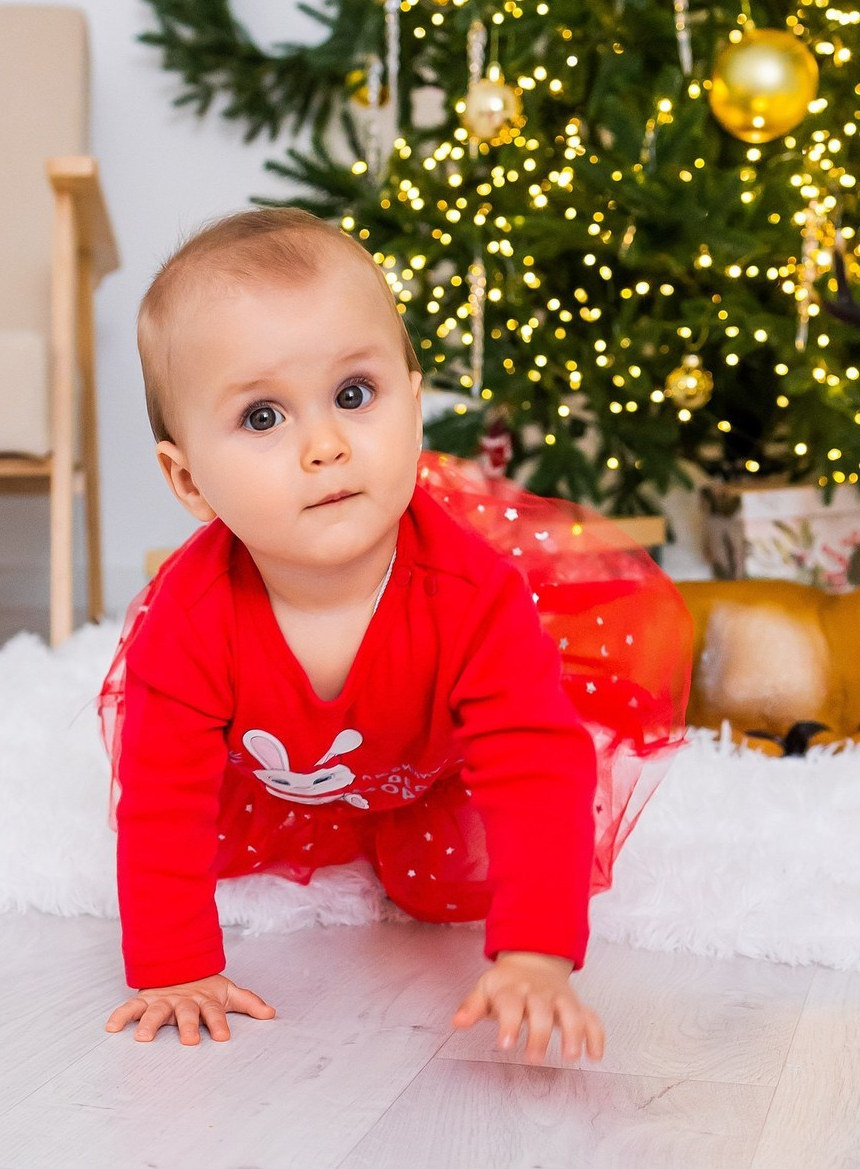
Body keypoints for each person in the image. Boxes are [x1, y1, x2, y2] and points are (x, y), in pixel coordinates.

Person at [99, 208, 692, 1063]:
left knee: (452, 867)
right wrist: (174, 967)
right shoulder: (188, 622)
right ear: (189, 481)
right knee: (236, 819)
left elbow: (531, 766)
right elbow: (161, 800)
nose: (327, 446)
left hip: (433, 763)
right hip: (288, 773)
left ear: (414, 403)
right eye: (264, 417)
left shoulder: (470, 593)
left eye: (353, 395)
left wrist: (534, 951)